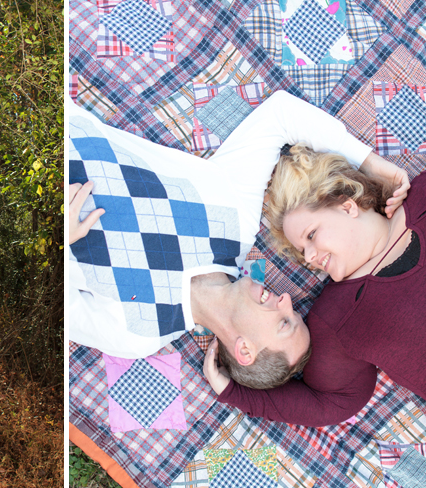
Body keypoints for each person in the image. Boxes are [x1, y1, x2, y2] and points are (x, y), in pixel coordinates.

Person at [69, 91, 401, 389]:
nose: (285, 299)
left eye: (284, 322)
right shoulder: (233, 221)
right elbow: (280, 115)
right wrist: (374, 165)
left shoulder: (137, 335)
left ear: (243, 349)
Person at [205, 142, 417, 427]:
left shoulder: (421, 194)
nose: (311, 256)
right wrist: (235, 393)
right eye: (303, 252)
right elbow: (330, 404)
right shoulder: (334, 319)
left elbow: (282, 118)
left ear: (347, 206)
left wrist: (371, 162)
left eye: (312, 235)